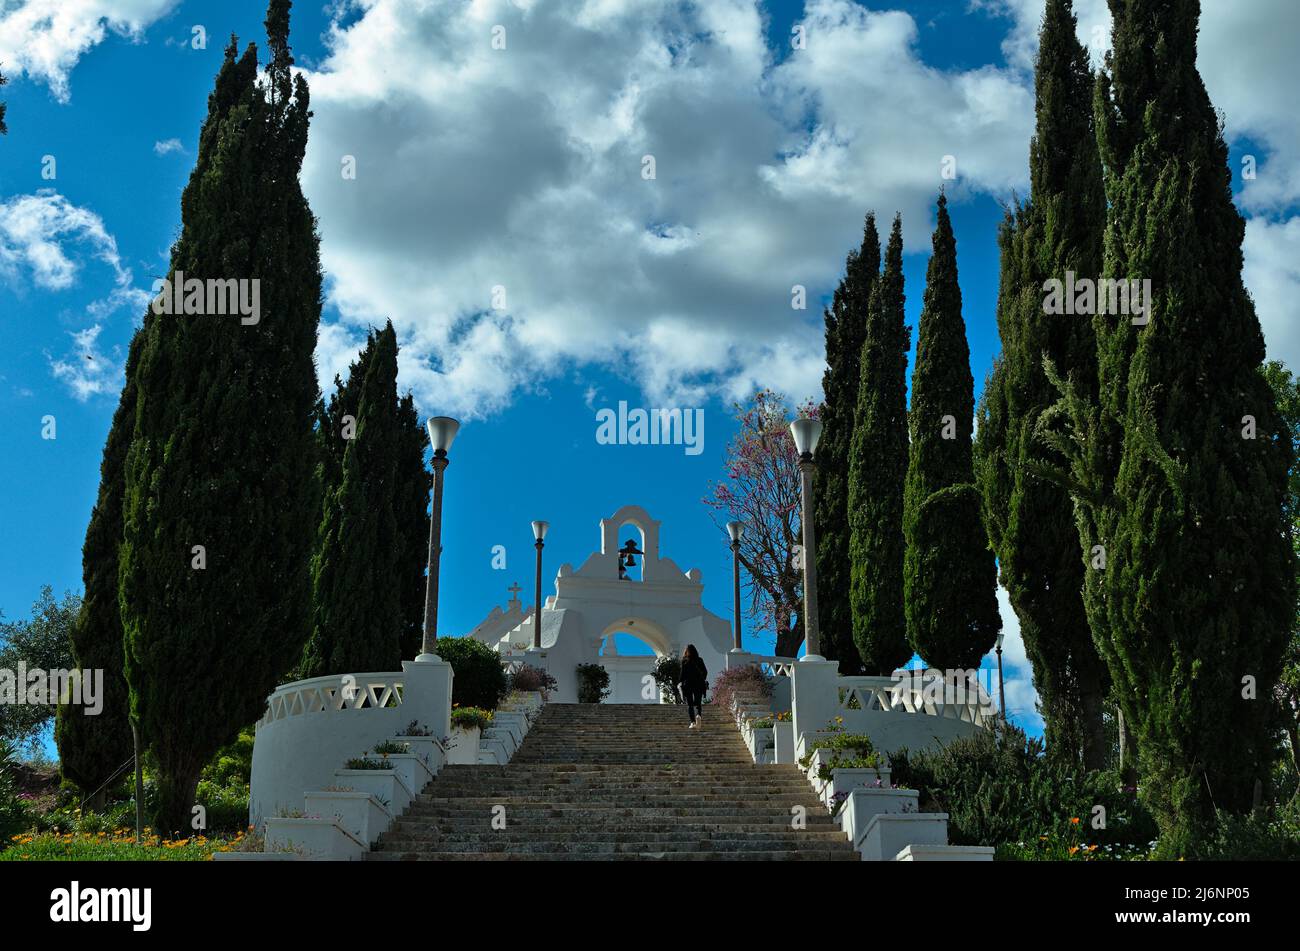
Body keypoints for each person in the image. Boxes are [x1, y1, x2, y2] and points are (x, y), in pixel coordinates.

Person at [677, 644, 708, 730]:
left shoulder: (685, 661)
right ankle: (698, 716)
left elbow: (682, 674)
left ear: (686, 652)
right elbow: (705, 672)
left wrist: (679, 682)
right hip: (699, 684)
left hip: (688, 685)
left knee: (690, 704)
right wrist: (702, 679)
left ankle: (692, 722)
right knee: (698, 703)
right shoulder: (699, 660)